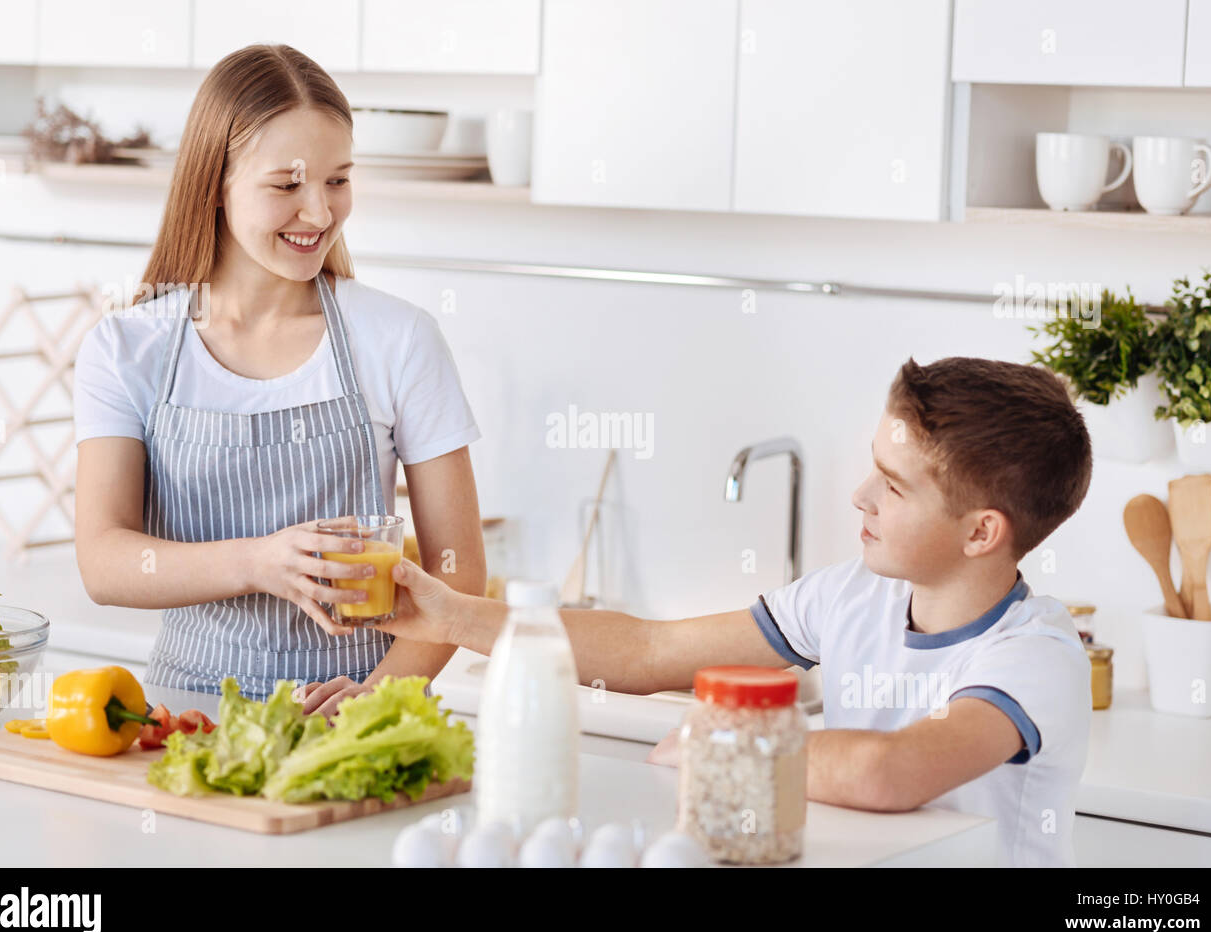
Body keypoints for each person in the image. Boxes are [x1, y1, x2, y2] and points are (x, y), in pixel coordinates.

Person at [366, 356, 1094, 867]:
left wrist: (724, 748)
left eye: (895, 487)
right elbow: (650, 652)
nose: (861, 494)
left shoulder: (1036, 654)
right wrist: (456, 616)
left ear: (980, 532)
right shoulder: (851, 595)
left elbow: (890, 772)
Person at [73, 45, 484, 716]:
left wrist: (373, 701)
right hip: (186, 718)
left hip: (358, 719)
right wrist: (259, 561)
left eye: (338, 180)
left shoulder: (400, 338)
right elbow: (104, 561)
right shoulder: (128, 348)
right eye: (286, 186)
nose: (320, 214)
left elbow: (460, 569)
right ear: (215, 183)